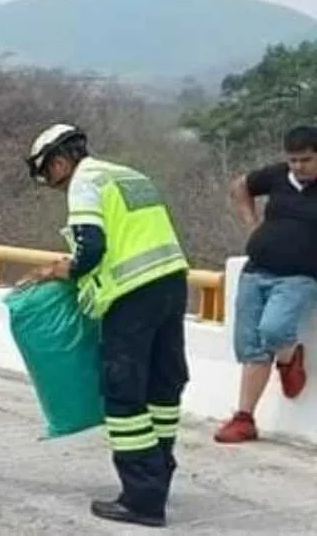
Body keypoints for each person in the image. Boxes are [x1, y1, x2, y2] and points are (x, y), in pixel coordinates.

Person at [20, 123, 190, 528]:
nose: (51, 184)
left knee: (123, 393)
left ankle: (142, 499)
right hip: (171, 282)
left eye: (47, 174)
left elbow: (91, 247)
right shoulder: (129, 175)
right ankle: (159, 470)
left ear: (60, 161)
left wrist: (65, 270)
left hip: (132, 295)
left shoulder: (84, 182)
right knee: (163, 386)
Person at [214, 124, 317, 444]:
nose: (299, 167)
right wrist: (251, 223)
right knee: (250, 346)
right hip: (256, 270)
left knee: (273, 329)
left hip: (299, 276)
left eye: (306, 160)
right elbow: (240, 186)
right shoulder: (276, 177)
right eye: (293, 160)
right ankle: (244, 418)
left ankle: (289, 358)